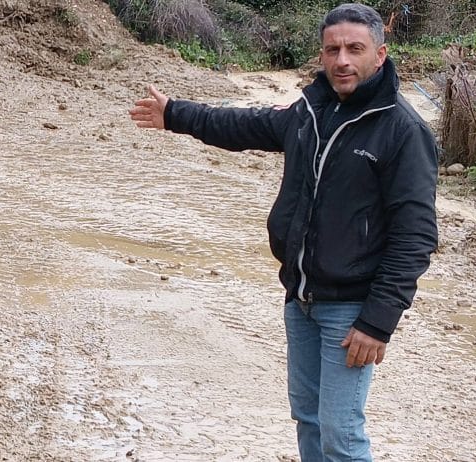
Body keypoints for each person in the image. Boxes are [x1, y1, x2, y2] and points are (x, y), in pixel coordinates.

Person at [128, 3, 438, 461]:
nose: (342, 60)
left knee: (341, 433)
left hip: (351, 311)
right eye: (333, 49)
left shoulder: (402, 130)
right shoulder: (311, 110)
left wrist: (377, 321)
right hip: (301, 299)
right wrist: (176, 114)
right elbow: (245, 125)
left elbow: (416, 236)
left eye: (355, 49)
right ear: (322, 54)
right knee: (309, 419)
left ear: (381, 54)